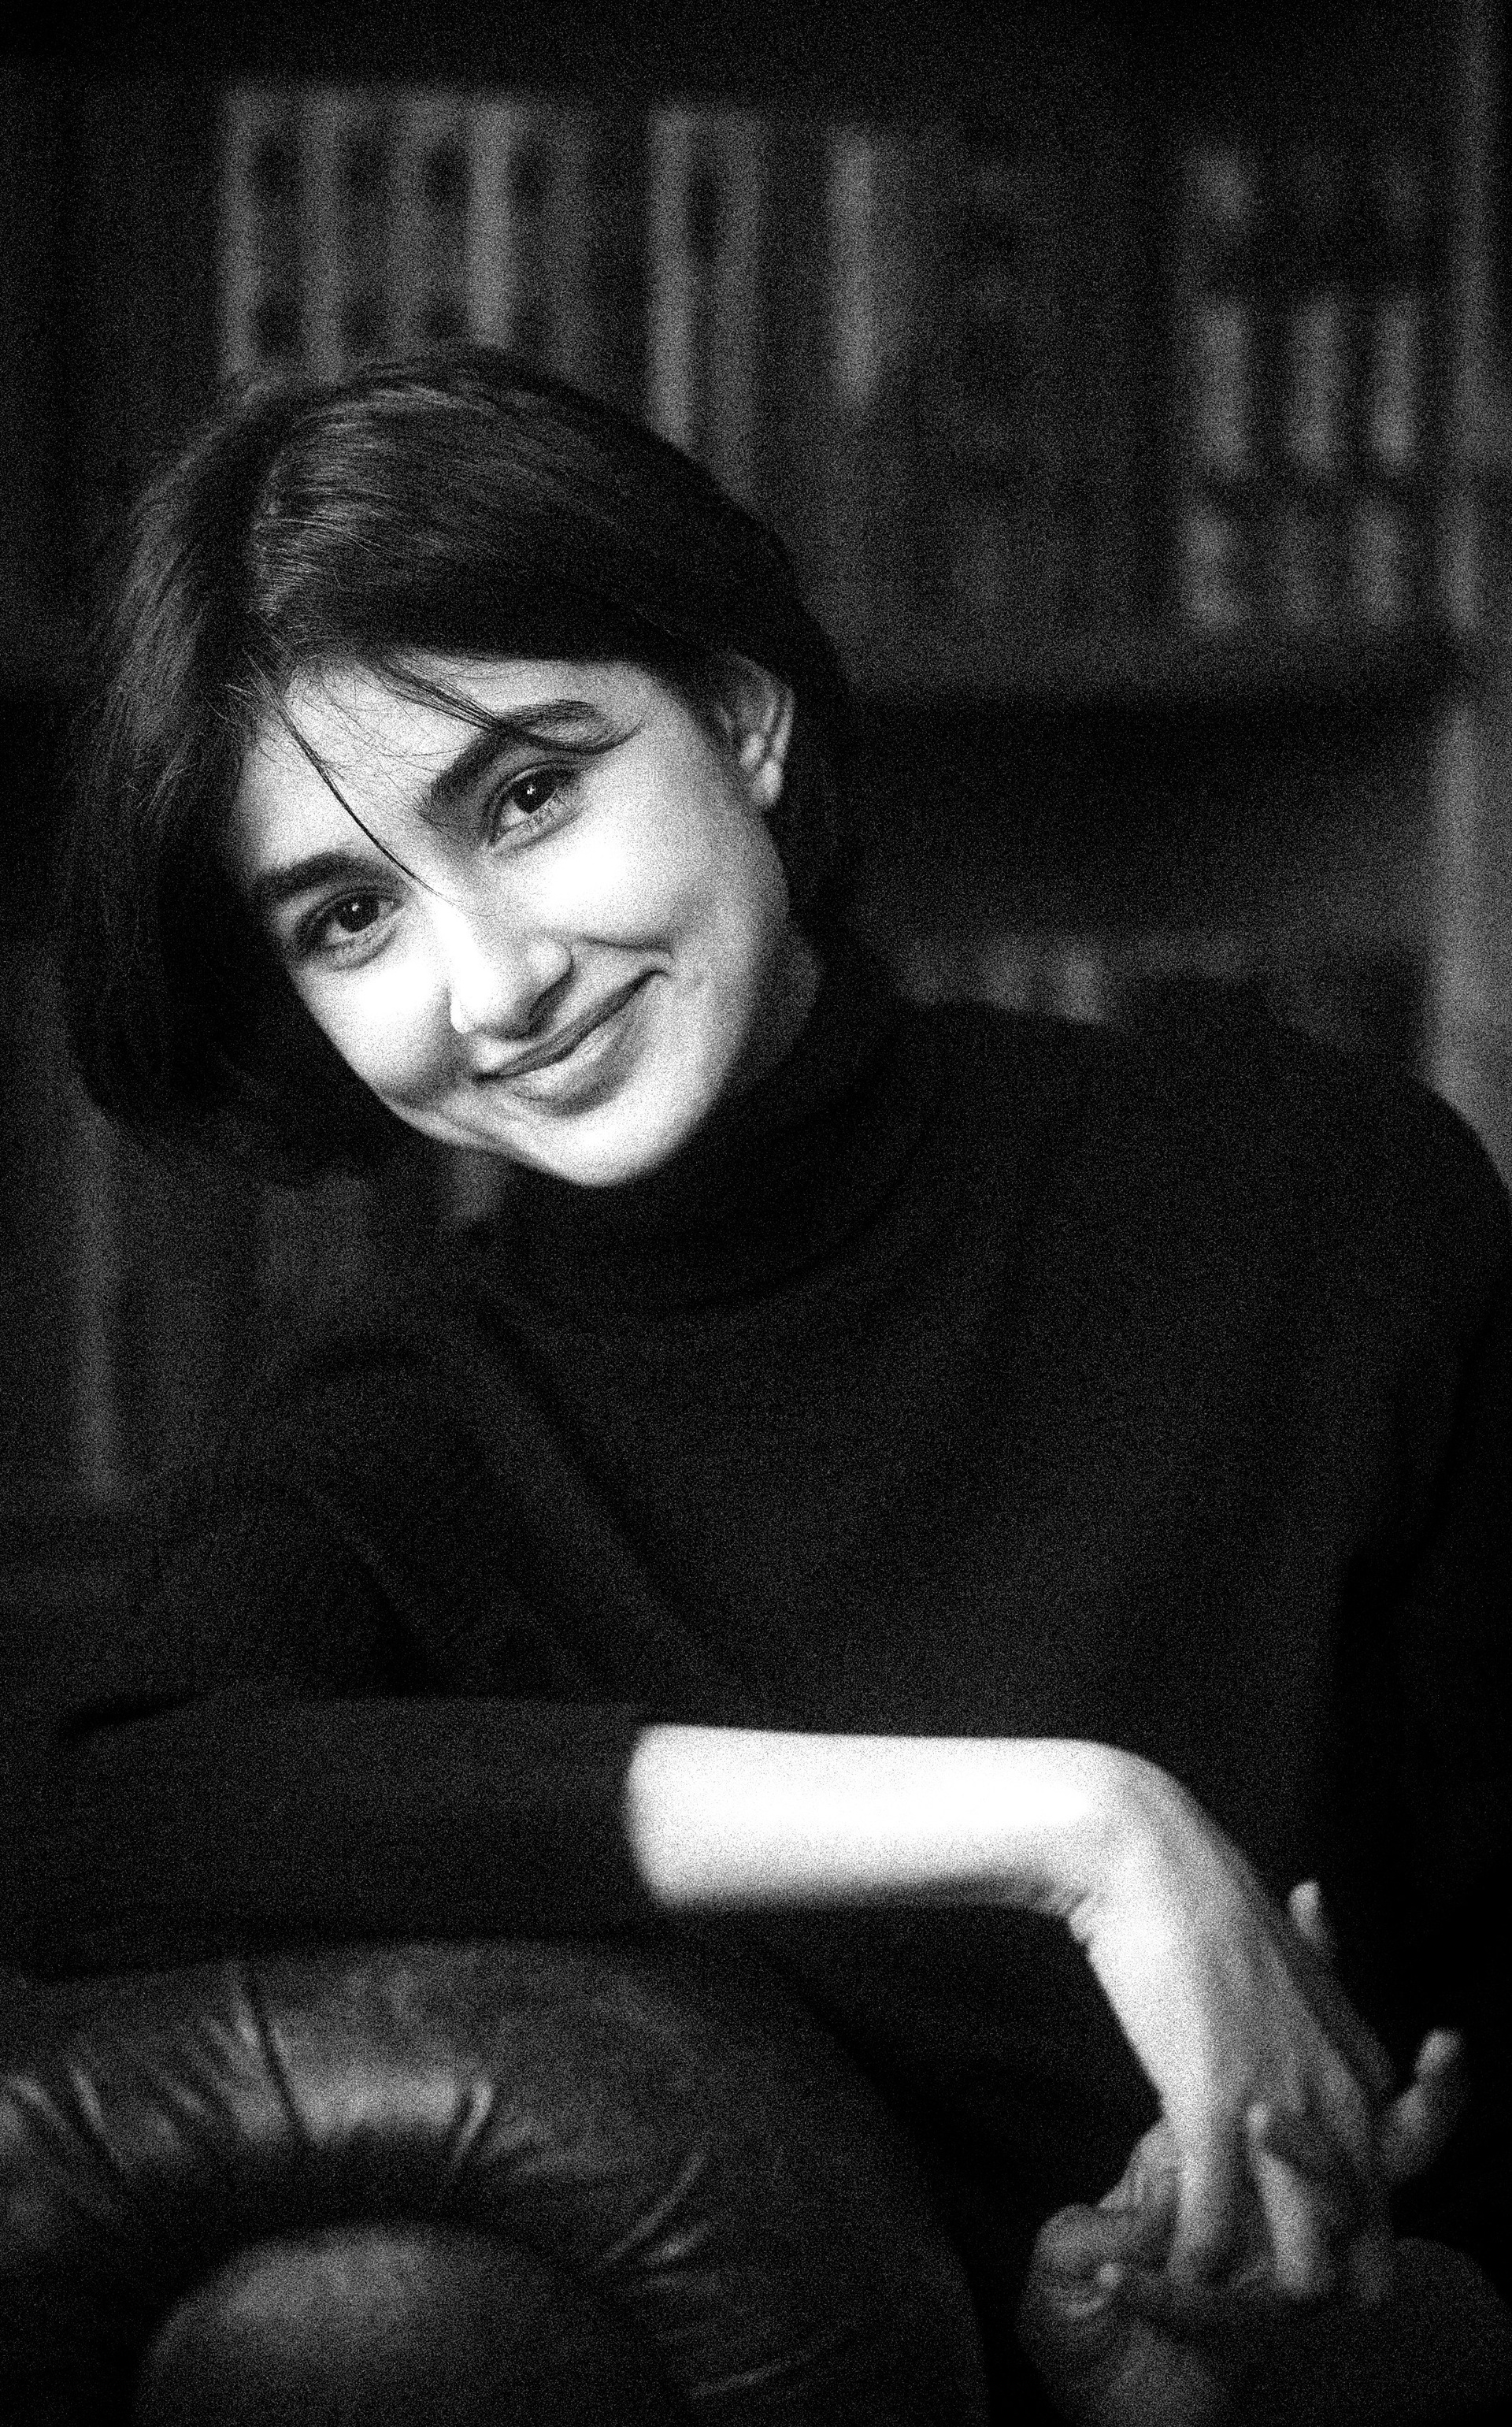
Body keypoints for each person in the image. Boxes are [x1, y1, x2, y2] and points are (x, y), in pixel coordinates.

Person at [15, 343, 1512, 2422]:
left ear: (741, 718)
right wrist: (1076, 1826)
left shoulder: (1312, 1198)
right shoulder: (403, 1428)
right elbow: (100, 1822)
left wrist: (1291, 2303)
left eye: (526, 794)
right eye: (350, 917)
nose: (494, 984)